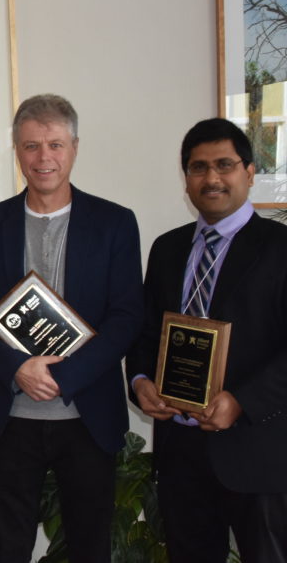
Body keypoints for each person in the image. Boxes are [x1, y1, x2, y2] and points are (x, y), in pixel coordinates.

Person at [0, 94, 143, 563]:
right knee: (7, 547)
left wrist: (66, 376)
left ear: (75, 147)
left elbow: (126, 317)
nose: (44, 158)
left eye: (55, 145)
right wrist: (18, 368)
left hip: (88, 416)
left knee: (89, 546)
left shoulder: (116, 223)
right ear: (16, 151)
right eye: (32, 146)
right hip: (12, 416)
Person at [126, 118, 287, 563]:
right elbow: (145, 332)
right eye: (198, 167)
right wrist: (140, 381)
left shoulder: (280, 247)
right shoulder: (167, 249)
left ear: (250, 172)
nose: (211, 178)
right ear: (186, 177)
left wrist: (242, 400)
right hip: (181, 455)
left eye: (225, 165)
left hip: (256, 452)